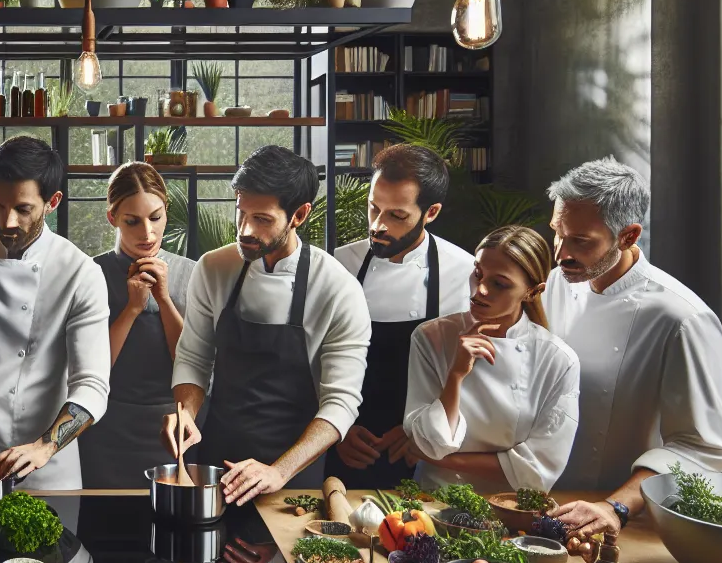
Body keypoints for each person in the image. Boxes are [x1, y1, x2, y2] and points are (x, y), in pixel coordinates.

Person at [535, 158, 722, 538]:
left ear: (628, 236)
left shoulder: (682, 318)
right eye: (557, 232)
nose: (560, 253)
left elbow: (702, 447)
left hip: (616, 518)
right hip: (542, 498)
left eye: (580, 241)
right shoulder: (557, 282)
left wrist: (616, 506)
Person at [166, 145, 371, 502]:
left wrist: (278, 471)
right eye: (241, 213)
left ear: (299, 215)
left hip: (293, 475)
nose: (245, 229)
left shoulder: (338, 289)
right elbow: (194, 357)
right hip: (216, 462)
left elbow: (341, 403)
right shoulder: (214, 268)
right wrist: (186, 414)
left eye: (262, 219)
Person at [0, 136, 110, 488]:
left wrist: (44, 447)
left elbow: (91, 385)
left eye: (23, 209)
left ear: (52, 202)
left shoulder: (80, 273)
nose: (7, 221)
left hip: (49, 467)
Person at [326, 143, 475, 487]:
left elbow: (471, 375)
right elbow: (315, 357)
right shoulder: (338, 264)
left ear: (431, 212)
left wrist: (420, 434)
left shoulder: (465, 273)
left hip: (421, 451)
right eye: (373, 208)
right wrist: (337, 429)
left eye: (397, 215)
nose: (378, 225)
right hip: (347, 441)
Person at [400, 225, 580, 493]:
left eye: (500, 283)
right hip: (431, 501)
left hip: (510, 505)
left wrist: (445, 460)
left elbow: (537, 469)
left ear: (532, 291)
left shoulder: (558, 360)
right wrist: (456, 374)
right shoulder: (431, 336)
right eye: (477, 273)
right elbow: (429, 441)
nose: (480, 289)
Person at [77, 162, 197, 486]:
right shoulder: (90, 274)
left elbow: (193, 364)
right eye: (132, 221)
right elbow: (91, 368)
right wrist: (131, 309)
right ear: (112, 218)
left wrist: (165, 299)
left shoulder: (191, 273)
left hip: (173, 428)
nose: (147, 233)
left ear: (166, 211)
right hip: (105, 427)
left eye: (155, 217)